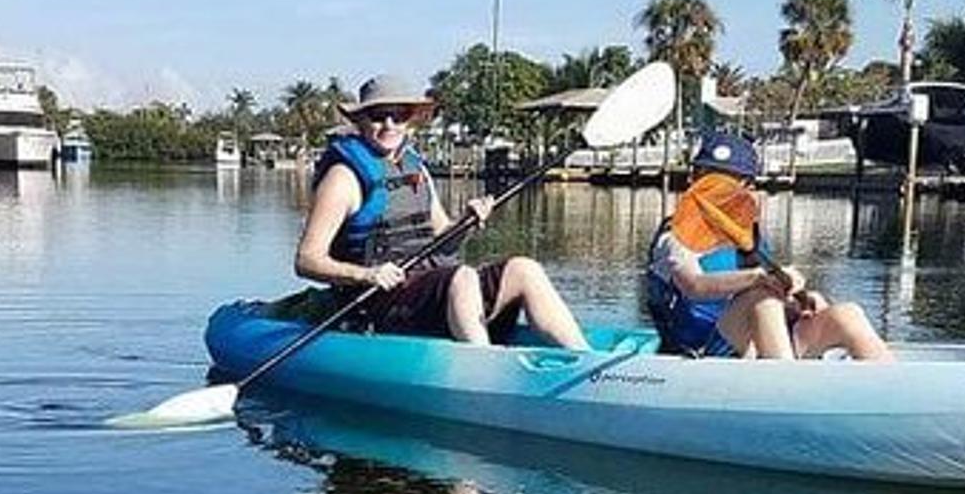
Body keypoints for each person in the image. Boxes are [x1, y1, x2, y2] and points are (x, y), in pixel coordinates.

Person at [294, 75, 589, 349]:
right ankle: (482, 372)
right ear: (360, 120)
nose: (389, 124)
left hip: (430, 292)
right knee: (461, 277)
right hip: (374, 301)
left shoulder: (416, 168)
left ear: (411, 120)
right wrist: (367, 275)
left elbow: (442, 239)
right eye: (378, 115)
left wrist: (467, 222)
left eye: (399, 115)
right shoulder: (342, 178)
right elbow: (307, 260)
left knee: (525, 268)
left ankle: (586, 364)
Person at [645, 133, 892, 361]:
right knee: (761, 298)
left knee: (846, 314)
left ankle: (890, 388)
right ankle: (786, 388)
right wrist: (758, 278)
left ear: (747, 188)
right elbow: (693, 285)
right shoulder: (675, 238)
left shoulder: (747, 236)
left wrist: (796, 304)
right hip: (698, 353)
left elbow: (763, 304)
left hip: (747, 347)